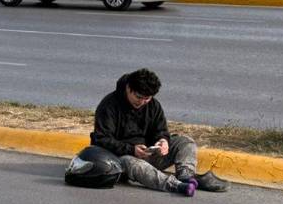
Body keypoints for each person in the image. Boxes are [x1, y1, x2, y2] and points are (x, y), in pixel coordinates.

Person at [89, 68, 229, 196]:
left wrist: (163, 141)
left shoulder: (153, 105)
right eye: (138, 97)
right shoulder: (109, 106)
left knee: (185, 142)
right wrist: (132, 150)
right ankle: (175, 186)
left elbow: (160, 130)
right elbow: (101, 139)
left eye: (147, 98)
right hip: (120, 159)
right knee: (132, 163)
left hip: (149, 154)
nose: (142, 102)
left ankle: (186, 176)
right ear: (128, 88)